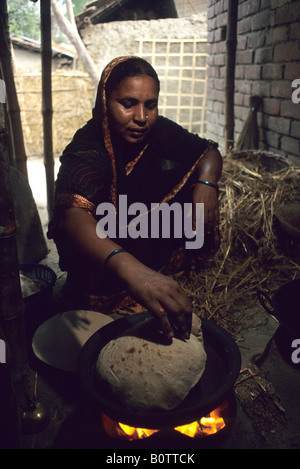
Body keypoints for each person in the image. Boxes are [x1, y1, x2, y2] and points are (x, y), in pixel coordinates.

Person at [48, 56, 222, 340]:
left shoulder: (160, 131)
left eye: (150, 105)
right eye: (128, 104)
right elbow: (72, 214)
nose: (141, 117)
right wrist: (133, 271)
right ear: (105, 102)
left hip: (145, 235)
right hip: (107, 259)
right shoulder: (88, 148)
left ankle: (173, 263)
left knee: (196, 183)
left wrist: (206, 183)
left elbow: (209, 153)